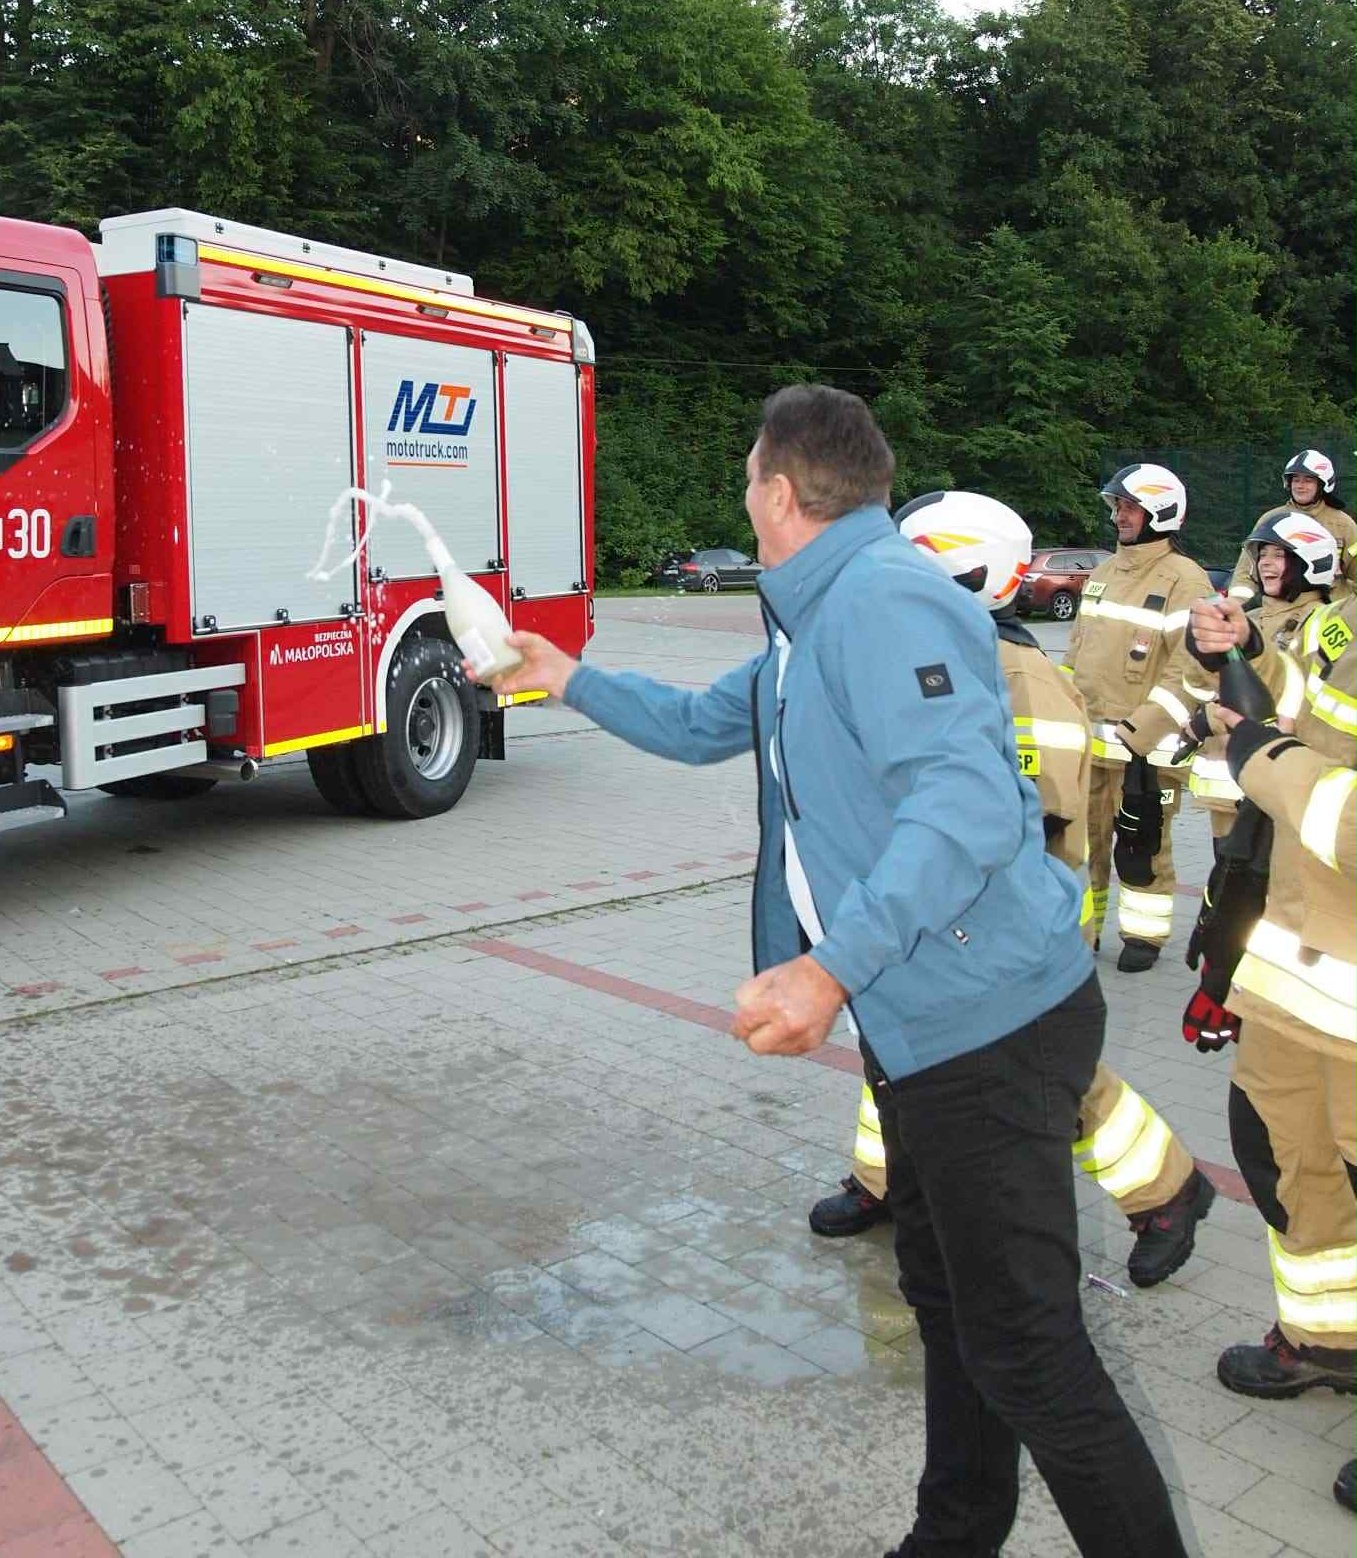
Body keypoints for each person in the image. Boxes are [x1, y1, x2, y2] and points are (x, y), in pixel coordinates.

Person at [490, 387, 1187, 1558]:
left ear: (777, 492)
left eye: (746, 479)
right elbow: (702, 723)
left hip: (988, 1026)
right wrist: (562, 675)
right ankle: (953, 1536)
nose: (743, 496)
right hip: (926, 1031)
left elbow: (966, 807)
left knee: (1029, 1351)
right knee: (951, 1308)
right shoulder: (809, 619)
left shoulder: (883, 601)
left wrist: (827, 971)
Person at [809, 491, 1212, 1290]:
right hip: (917, 911)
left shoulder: (1020, 678)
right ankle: (885, 1178)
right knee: (894, 1044)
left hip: (995, 926)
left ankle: (1166, 1191)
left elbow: (1043, 821)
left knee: (1040, 1071)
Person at [1185, 589, 1356, 1460]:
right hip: (1307, 971)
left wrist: (1266, 759)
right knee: (1289, 1159)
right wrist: (1249, 654)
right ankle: (1330, 1341)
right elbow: (1323, 716)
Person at [1061, 465, 1210, 972]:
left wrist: (1141, 731)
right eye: (1118, 507)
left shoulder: (1185, 580)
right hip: (1092, 746)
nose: (1119, 516)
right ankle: (1084, 933)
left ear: (1160, 513)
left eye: (1130, 508)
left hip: (1146, 752)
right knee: (1086, 845)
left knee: (1144, 847)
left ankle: (1143, 936)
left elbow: (1190, 668)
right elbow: (1076, 652)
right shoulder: (1103, 573)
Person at [1181, 511, 1339, 826]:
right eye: (1262, 555)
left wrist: (1209, 718)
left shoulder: (1322, 622)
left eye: (1279, 555)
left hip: (1277, 790)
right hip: (1226, 790)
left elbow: (1291, 696)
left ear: (1312, 562)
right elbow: (1198, 687)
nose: (1265, 563)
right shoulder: (1248, 620)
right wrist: (1201, 654)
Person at [1227, 449, 1356, 604]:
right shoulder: (1270, 519)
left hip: (1329, 610)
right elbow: (1246, 571)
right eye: (1295, 480)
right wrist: (1235, 604)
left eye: (1308, 480)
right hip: (1280, 609)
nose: (1300, 486)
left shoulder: (1343, 524)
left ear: (1323, 484)